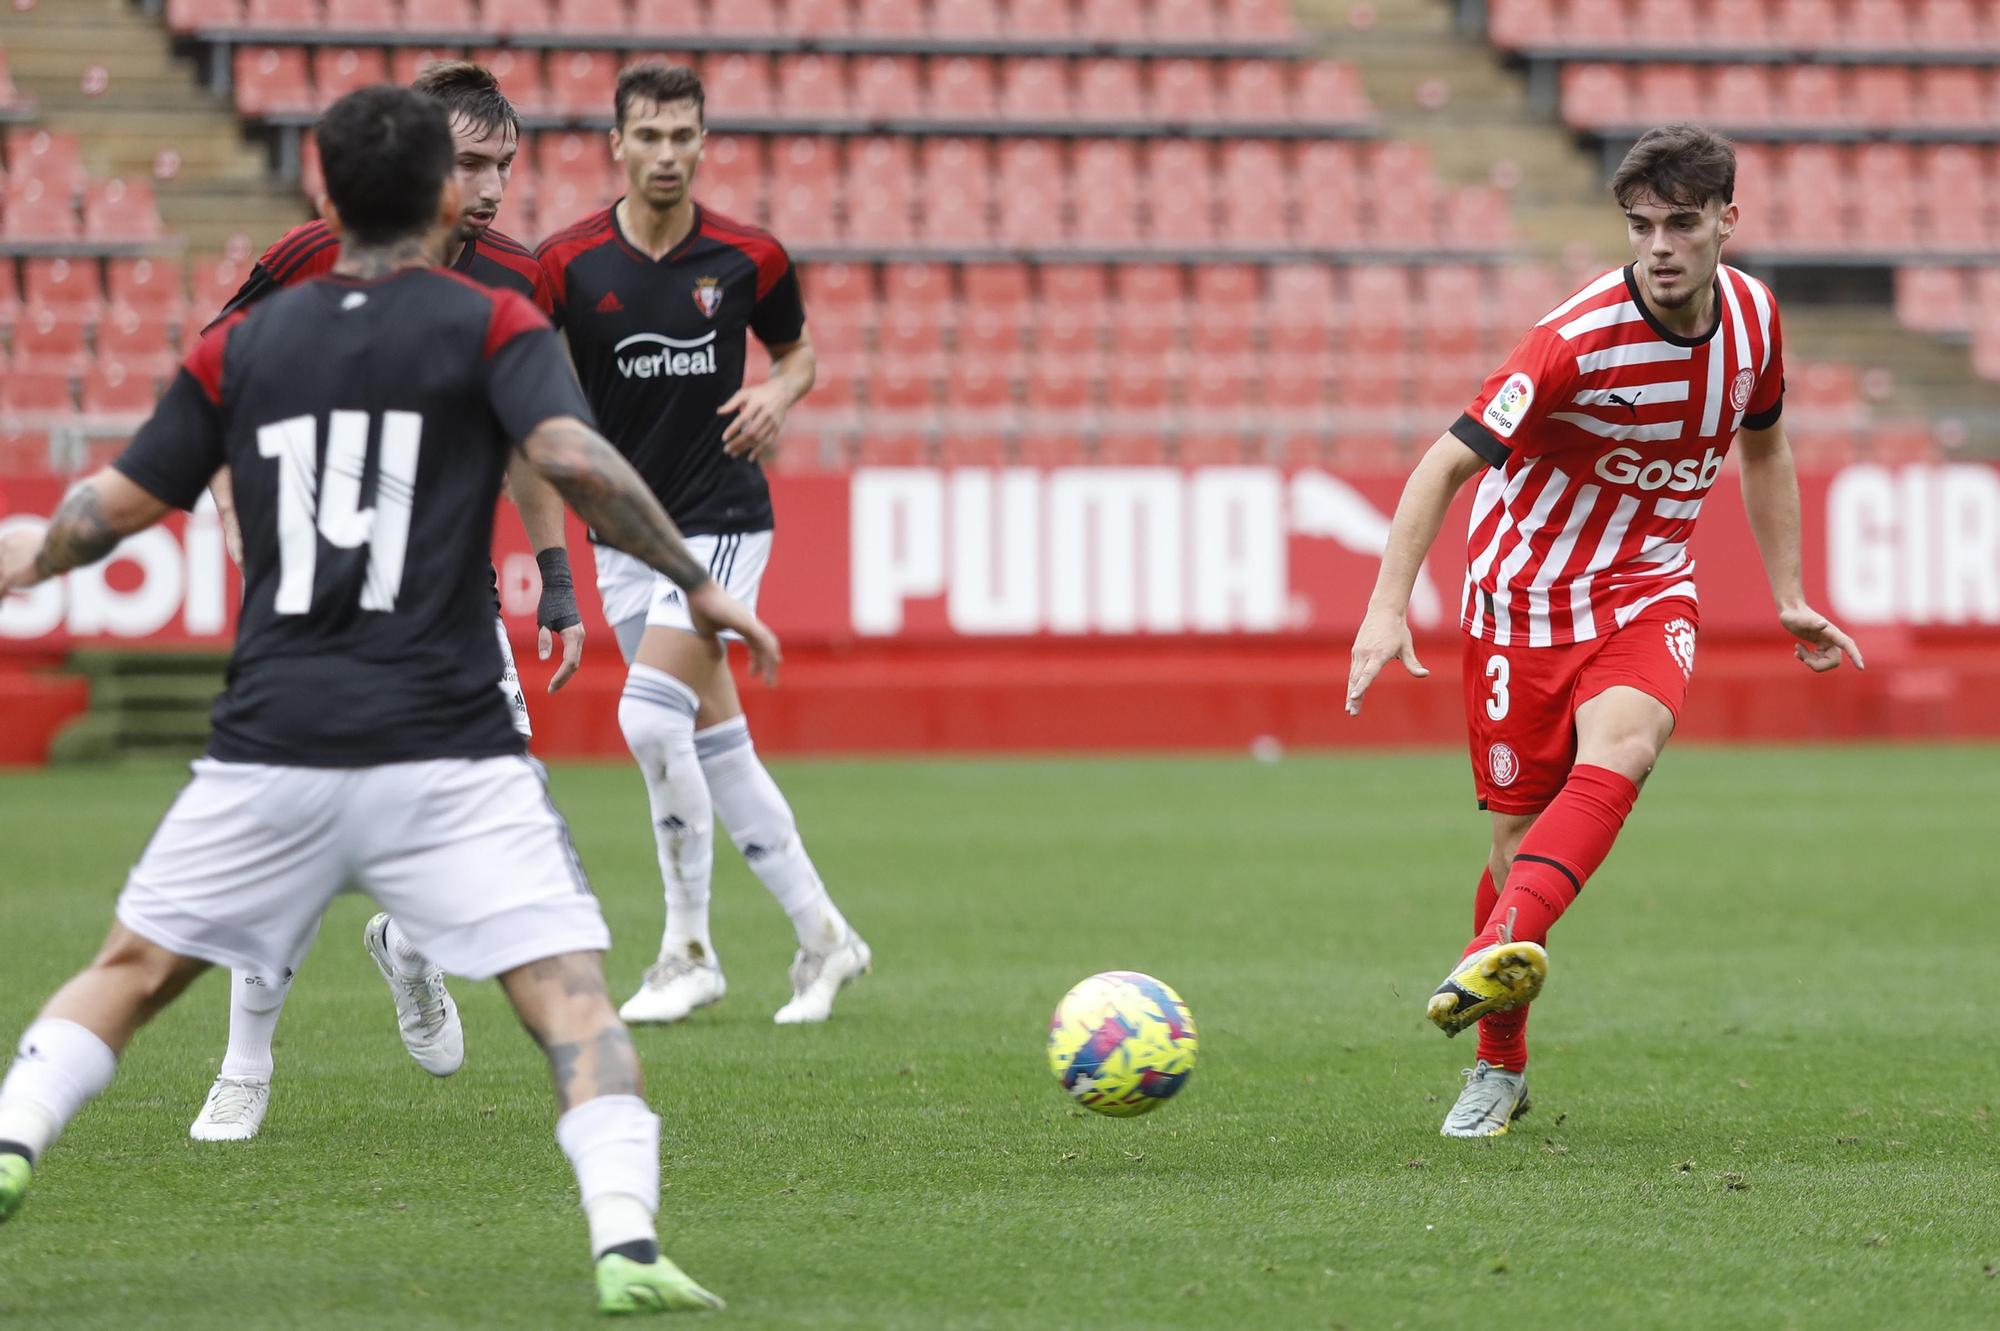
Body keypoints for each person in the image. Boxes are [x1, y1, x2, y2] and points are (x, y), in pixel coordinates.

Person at [0, 86, 772, 1314]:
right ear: (433, 190)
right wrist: (694, 578)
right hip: (442, 735)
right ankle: (623, 1238)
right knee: (570, 996)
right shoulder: (489, 324)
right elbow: (571, 460)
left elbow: (120, 502)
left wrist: (30, 556)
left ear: (326, 192)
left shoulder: (240, 345)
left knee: (134, 965)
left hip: (278, 734)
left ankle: (14, 1134)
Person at [1344, 124, 1864, 1139]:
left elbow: (1763, 449)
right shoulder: (1573, 339)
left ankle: (1498, 952)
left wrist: (1786, 590)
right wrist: (1382, 603)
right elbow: (1441, 465)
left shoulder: (1755, 321)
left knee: (1627, 743)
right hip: (1519, 603)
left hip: (1645, 588)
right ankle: (1502, 1059)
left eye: (1679, 223)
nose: (1658, 246)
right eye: (1639, 226)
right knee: (1512, 842)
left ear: (1725, 220)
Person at [189, 61, 585, 1145]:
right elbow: (213, 374)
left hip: (447, 597)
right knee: (280, 824)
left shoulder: (515, 278)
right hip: (317, 597)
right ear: (415, 154)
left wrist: (553, 579)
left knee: (502, 800)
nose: (494, 186)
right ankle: (243, 1065)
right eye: (469, 161)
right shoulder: (316, 252)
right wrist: (239, 524)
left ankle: (414, 946)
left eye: (505, 162)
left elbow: (529, 443)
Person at [536, 63, 868, 1026]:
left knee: (647, 722)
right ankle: (823, 936)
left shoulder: (748, 256)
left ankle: (688, 948)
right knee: (718, 748)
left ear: (704, 143)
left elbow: (800, 354)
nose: (668, 155)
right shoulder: (570, 265)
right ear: (618, 144)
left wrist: (778, 391)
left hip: (721, 522)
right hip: (624, 537)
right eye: (650, 137)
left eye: (685, 137)